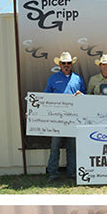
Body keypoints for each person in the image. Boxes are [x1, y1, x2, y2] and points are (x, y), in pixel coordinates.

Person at [43, 51, 85, 181]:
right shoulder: (52, 78)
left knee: (72, 147)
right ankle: (53, 173)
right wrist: (34, 113)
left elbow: (85, 96)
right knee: (55, 146)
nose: (66, 65)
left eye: (68, 63)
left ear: (71, 64)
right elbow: (45, 98)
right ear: (60, 64)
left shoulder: (78, 79)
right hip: (57, 119)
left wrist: (81, 95)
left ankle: (71, 172)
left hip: (73, 118)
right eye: (64, 63)